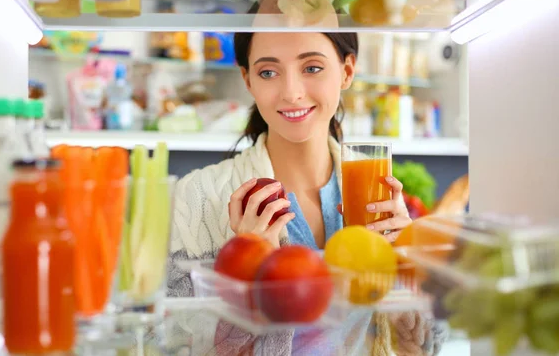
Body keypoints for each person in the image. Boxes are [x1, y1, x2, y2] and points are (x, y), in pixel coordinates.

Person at [168, 30, 412, 290]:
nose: (291, 93)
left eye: (313, 68)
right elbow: (174, 328)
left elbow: (411, 327)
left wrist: (406, 266)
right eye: (268, 73)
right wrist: (249, 271)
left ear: (347, 72)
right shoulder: (195, 196)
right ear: (247, 79)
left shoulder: (378, 188)